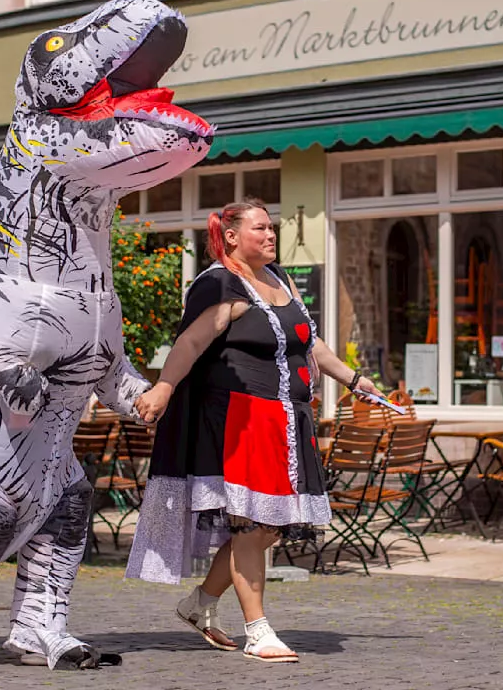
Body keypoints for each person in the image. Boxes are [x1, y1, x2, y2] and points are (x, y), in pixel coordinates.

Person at [125, 200, 384, 663]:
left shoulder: (280, 279)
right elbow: (191, 341)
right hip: (240, 422)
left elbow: (310, 340)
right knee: (251, 525)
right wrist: (164, 387)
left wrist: (353, 379)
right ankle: (258, 630)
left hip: (286, 421)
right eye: (260, 228)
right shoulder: (220, 283)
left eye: (273, 228)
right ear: (230, 235)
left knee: (268, 528)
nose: (271, 235)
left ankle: (200, 604)